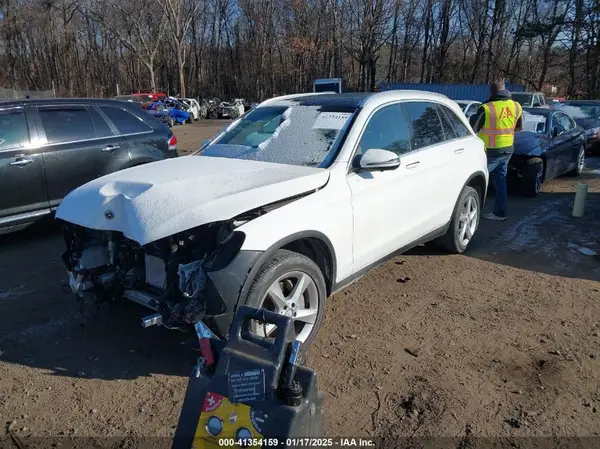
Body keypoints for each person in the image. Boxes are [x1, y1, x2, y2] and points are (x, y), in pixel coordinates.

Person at [470, 80, 523, 221]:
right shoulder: (516, 106)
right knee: (500, 182)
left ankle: (470, 212)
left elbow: (472, 128)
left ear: (491, 92)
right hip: (508, 149)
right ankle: (500, 213)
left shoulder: (487, 107)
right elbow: (519, 127)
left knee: (474, 180)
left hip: (491, 151)